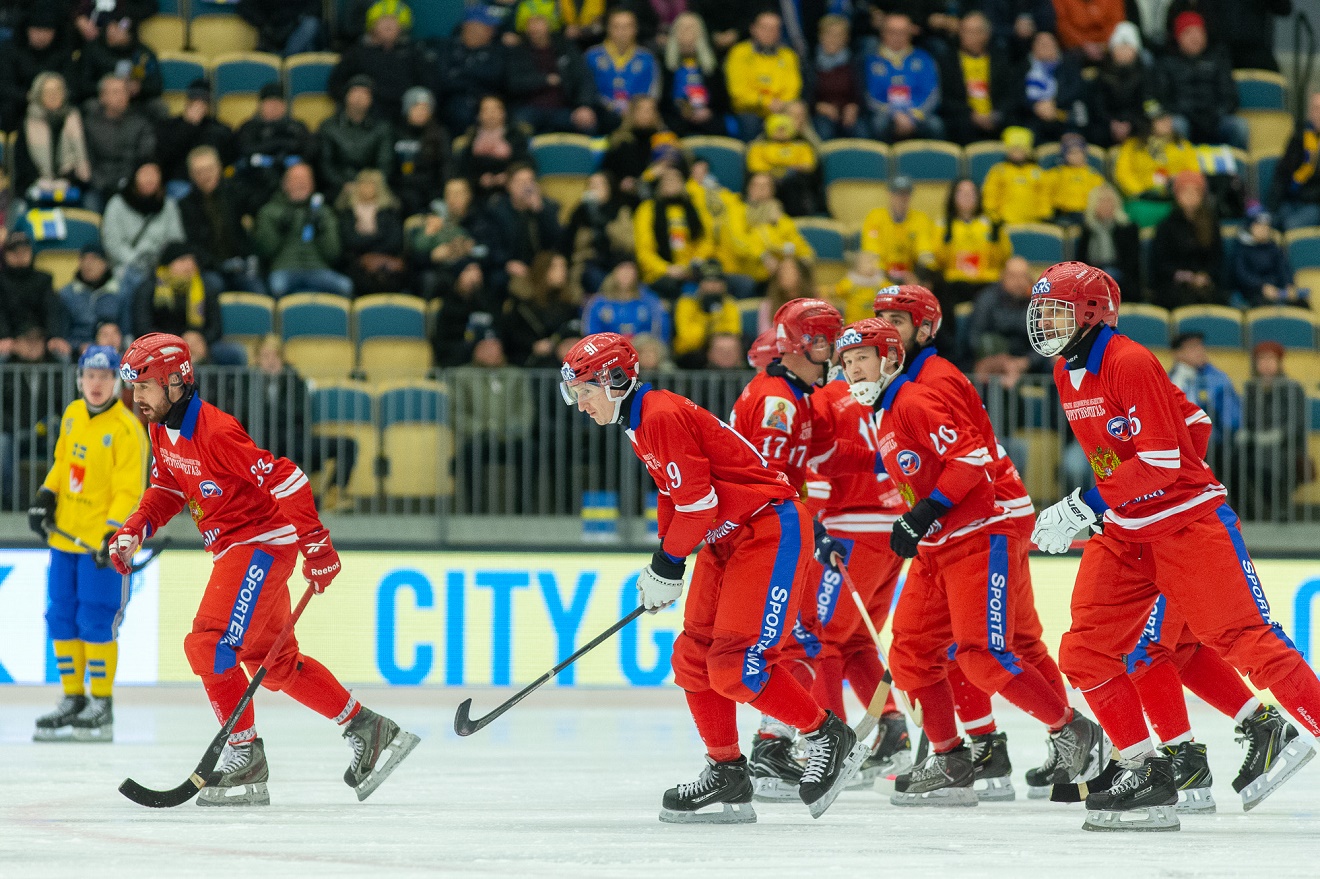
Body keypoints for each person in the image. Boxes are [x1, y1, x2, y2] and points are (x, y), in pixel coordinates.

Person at [1025, 262, 1320, 830]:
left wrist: (1091, 503)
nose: (1044, 322)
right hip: (1126, 533)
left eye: (1056, 309)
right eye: (1041, 311)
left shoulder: (1129, 361)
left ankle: (1265, 730)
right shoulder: (1067, 372)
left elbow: (1161, 459)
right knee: (1085, 653)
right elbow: (1194, 421)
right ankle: (1148, 772)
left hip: (1186, 527)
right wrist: (1118, 500)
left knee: (1245, 640)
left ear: (1090, 313)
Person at [560, 331, 866, 822]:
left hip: (769, 530)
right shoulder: (641, 422)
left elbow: (698, 506)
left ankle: (826, 733)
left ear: (616, 381)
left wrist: (670, 563)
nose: (581, 405)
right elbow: (675, 495)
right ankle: (727, 772)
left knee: (736, 666)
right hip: (729, 538)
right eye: (575, 394)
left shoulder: (658, 415)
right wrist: (665, 561)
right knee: (693, 657)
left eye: (585, 391)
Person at [107, 333, 420, 805]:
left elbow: (288, 477)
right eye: (135, 387)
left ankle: (245, 754)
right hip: (240, 547)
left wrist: (317, 544)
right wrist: (136, 526)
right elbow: (169, 488)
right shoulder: (161, 428)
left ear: (176, 382)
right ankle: (371, 730)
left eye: (146, 386)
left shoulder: (214, 431)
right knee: (275, 665)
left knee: (208, 643)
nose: (138, 397)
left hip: (258, 545)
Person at [833, 315, 1103, 807]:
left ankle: (1073, 729)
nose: (854, 371)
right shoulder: (885, 412)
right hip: (938, 549)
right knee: (910, 655)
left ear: (890, 357)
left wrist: (925, 511)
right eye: (847, 363)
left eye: (862, 359)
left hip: (980, 537)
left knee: (981, 655)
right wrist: (920, 520)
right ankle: (951, 757)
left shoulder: (914, 398)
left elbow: (971, 458)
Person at [729, 298, 843, 801]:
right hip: (766, 537)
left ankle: (771, 743)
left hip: (772, 533)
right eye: (823, 341)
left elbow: (819, 458)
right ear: (798, 344)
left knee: (796, 642)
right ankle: (773, 746)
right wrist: (810, 526)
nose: (832, 351)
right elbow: (769, 479)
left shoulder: (793, 396)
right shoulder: (777, 400)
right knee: (797, 644)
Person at [28, 345, 148, 742]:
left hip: (100, 547)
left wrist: (113, 535)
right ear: (80, 378)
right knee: (60, 617)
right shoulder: (73, 415)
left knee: (97, 621)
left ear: (116, 381)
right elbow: (64, 463)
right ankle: (73, 698)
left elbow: (129, 489)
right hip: (65, 538)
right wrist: (46, 495)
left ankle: (101, 703)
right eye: (90, 376)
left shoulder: (128, 429)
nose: (96, 384)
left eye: (104, 377)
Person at [136, 241, 246, 367]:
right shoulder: (149, 289)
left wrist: (201, 339)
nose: (189, 265)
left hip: (201, 344)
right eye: (183, 260)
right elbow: (143, 329)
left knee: (234, 353)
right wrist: (179, 342)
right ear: (168, 264)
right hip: (162, 346)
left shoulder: (206, 288)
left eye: (192, 261)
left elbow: (216, 327)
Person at [254, 163, 353, 299]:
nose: (300, 185)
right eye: (295, 180)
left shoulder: (324, 212)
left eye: (305, 181)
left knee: (345, 286)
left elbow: (333, 253)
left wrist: (321, 230)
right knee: (277, 287)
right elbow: (265, 251)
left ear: (312, 185)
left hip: (318, 268)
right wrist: (280, 231)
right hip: (284, 268)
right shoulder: (270, 211)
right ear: (284, 184)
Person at [178, 145, 265, 296]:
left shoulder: (236, 192)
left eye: (209, 169)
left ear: (219, 168)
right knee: (213, 287)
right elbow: (192, 245)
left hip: (241, 264)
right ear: (191, 175)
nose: (206, 175)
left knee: (258, 290)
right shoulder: (186, 205)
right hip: (209, 269)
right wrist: (219, 266)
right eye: (199, 172)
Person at [1238, 341, 1310, 521]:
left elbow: (1296, 423)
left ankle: (1277, 510)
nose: (1266, 363)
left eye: (1271, 358)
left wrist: (1275, 436)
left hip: (1286, 448)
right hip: (1255, 446)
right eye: (1261, 359)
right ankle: (1253, 511)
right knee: (1234, 459)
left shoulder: (1292, 388)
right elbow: (1246, 419)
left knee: (1272, 460)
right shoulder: (1251, 388)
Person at [1154, 11, 1246, 150]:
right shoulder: (1166, 63)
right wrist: (1188, 114)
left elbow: (1230, 97)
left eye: (1199, 32)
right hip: (1185, 119)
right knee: (1177, 125)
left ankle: (1235, 169)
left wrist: (1214, 115)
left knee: (1239, 127)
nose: (1195, 38)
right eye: (1188, 33)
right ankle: (1179, 167)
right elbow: (1162, 99)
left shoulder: (1218, 59)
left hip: (1215, 120)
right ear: (1178, 37)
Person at [327, 6, 434, 124]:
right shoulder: (357, 53)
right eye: (383, 20)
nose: (388, 25)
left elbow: (429, 85)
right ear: (372, 26)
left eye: (393, 21)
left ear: (402, 26)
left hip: (405, 117)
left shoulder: (413, 53)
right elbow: (336, 84)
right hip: (369, 115)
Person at [101, 160, 185, 307]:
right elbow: (112, 243)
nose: (150, 178)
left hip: (160, 268)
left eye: (154, 173)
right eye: (145, 173)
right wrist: (136, 262)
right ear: (134, 177)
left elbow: (176, 241)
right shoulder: (117, 204)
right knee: (133, 281)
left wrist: (159, 264)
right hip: (125, 267)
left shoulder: (169, 205)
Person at [505, 13, 598, 136]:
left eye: (538, 23)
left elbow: (584, 78)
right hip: (529, 108)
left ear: (549, 24)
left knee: (587, 123)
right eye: (530, 23)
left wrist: (584, 105)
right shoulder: (519, 51)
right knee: (516, 129)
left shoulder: (565, 47)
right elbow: (513, 83)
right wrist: (545, 80)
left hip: (564, 108)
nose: (534, 28)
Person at [1113, 101, 1199, 229]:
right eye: (1160, 119)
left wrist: (1180, 186)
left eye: (1167, 117)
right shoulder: (1132, 146)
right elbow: (1123, 174)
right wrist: (1141, 192)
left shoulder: (1182, 144)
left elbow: (1194, 172)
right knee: (1136, 211)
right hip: (1144, 200)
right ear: (1148, 124)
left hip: (1176, 199)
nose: (1167, 121)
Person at [232, 83, 314, 217]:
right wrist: (279, 144)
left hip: (292, 180)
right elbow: (244, 149)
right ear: (260, 105)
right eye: (269, 102)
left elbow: (309, 150)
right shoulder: (249, 127)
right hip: (258, 183)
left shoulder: (297, 126)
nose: (274, 107)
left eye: (278, 102)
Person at [967, 255, 1052, 383]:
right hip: (992, 360)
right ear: (1003, 277)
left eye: (1023, 276)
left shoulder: (1038, 303)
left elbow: (1046, 342)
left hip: (1027, 364)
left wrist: (1025, 362)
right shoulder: (986, 299)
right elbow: (974, 337)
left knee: (1055, 364)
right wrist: (998, 361)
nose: (1018, 281)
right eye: (1013, 276)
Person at [634, 166, 715, 302]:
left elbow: (706, 241)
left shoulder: (695, 207)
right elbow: (644, 251)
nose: (671, 182)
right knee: (675, 288)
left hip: (692, 269)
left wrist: (693, 264)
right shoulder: (647, 210)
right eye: (667, 179)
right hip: (661, 274)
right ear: (659, 185)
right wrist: (668, 269)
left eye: (676, 179)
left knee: (720, 282)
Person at [13, 72, 91, 210]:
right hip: (37, 185)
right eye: (48, 91)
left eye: (57, 90)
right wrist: (40, 181)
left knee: (90, 204)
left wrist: (69, 180)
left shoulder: (75, 119)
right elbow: (22, 163)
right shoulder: (27, 122)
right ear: (38, 95)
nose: (53, 95)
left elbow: (85, 156)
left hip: (72, 185)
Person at [862, 13, 944, 143]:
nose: (897, 37)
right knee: (878, 123)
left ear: (910, 33)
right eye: (892, 32)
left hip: (918, 113)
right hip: (886, 114)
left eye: (902, 32)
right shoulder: (871, 61)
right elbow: (869, 97)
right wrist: (895, 114)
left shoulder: (924, 58)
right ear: (883, 33)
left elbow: (933, 94)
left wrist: (912, 116)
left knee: (936, 125)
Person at [1168, 330, 1240, 475]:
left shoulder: (1217, 378)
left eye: (1200, 346)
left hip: (1213, 441)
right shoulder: (1171, 378)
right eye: (1192, 348)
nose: (1199, 351)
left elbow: (1231, 415)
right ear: (1178, 353)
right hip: (1179, 441)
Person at [1150, 170, 1224, 309]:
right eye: (1186, 191)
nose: (1190, 196)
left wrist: (1205, 275)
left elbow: (1217, 259)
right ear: (1177, 195)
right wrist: (1181, 275)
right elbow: (1160, 263)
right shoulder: (1166, 226)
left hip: (1204, 283)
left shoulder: (1211, 223)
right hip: (1174, 285)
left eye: (1195, 191)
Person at [725, 11, 802, 142]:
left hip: (781, 108)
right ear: (753, 29)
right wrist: (766, 101)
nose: (769, 33)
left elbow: (793, 88)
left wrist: (780, 104)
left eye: (774, 28)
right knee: (751, 122)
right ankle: (752, 159)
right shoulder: (739, 52)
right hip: (750, 110)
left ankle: (805, 157)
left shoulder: (788, 55)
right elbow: (737, 92)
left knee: (798, 111)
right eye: (764, 28)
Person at [939, 11, 1013, 146]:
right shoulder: (948, 61)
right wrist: (972, 115)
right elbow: (946, 99)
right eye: (965, 31)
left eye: (974, 31)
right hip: (963, 120)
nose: (968, 36)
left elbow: (1009, 96)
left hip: (995, 118)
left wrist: (995, 115)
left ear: (986, 34)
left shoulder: (1000, 61)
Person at [82, 75, 154, 211]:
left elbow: (144, 157)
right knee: (89, 203)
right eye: (115, 92)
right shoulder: (90, 124)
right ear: (102, 97)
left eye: (124, 91)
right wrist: (101, 183)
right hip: (99, 186)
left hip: (130, 185)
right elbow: (87, 160)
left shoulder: (140, 123)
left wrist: (127, 181)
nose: (121, 96)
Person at [317, 75, 393, 200]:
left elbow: (385, 164)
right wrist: (343, 184)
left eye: (365, 93)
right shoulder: (328, 127)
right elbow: (326, 164)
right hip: (338, 188)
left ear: (371, 99)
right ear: (346, 95)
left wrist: (368, 186)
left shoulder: (382, 128)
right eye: (355, 91)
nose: (359, 97)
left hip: (373, 188)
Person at [335, 168, 407, 296]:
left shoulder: (389, 211)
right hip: (356, 262)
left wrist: (369, 245)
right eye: (363, 184)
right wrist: (377, 238)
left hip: (386, 261)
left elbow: (395, 242)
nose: (367, 188)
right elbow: (349, 241)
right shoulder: (347, 212)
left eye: (371, 184)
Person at [1, 231, 71, 361]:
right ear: (6, 255)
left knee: (63, 356)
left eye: (24, 251)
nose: (20, 256)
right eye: (15, 252)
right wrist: (5, 337)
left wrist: (52, 336)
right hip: (10, 337)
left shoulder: (43, 279)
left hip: (41, 339)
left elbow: (51, 310)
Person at [154, 78, 236, 189]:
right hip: (180, 181)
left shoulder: (220, 129)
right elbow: (163, 156)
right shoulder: (170, 125)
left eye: (203, 101)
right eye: (194, 100)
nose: (198, 105)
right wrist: (189, 126)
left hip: (213, 184)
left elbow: (229, 158)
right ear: (187, 102)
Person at [584, 9, 659, 128]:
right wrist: (611, 106)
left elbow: (653, 91)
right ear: (608, 28)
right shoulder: (592, 56)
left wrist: (635, 108)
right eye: (616, 27)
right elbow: (587, 90)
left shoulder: (646, 58)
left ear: (635, 29)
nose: (622, 32)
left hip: (637, 116)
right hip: (602, 114)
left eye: (627, 27)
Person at [659, 11, 726, 138]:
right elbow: (662, 102)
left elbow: (723, 102)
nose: (687, 33)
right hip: (676, 119)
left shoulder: (712, 67)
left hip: (708, 118)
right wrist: (681, 111)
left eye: (691, 28)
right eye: (683, 28)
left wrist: (708, 112)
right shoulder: (666, 66)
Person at [860, 176, 938, 286]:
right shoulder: (875, 218)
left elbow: (925, 252)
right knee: (867, 269)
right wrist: (886, 273)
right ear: (889, 194)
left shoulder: (920, 219)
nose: (902, 198)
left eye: (906, 193)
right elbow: (872, 251)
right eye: (898, 193)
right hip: (883, 274)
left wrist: (917, 274)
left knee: (931, 274)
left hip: (910, 274)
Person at [454, 94, 531, 202]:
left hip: (510, 191)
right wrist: (478, 180)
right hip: (477, 193)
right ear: (479, 115)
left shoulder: (515, 135)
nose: (491, 114)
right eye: (486, 110)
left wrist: (508, 176)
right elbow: (464, 168)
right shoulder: (472, 137)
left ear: (503, 113)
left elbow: (525, 162)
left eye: (495, 109)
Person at [389, 86, 449, 219]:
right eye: (416, 107)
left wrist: (438, 196)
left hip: (430, 195)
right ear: (407, 109)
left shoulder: (439, 135)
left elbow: (445, 168)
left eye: (425, 108)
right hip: (400, 192)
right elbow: (388, 166)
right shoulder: (394, 133)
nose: (421, 112)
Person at [58, 243, 131, 352]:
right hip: (77, 355)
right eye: (84, 259)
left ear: (105, 263)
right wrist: (78, 346)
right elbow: (62, 335)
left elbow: (127, 332)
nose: (88, 264)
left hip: (114, 353)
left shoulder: (120, 292)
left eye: (94, 259)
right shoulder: (67, 294)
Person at [745, 113, 820, 217]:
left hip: (794, 182)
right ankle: (759, 214)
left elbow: (809, 165)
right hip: (770, 178)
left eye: (784, 129)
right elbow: (755, 166)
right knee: (761, 181)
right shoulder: (758, 147)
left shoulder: (802, 146)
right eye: (778, 128)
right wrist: (785, 167)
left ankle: (797, 216)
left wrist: (781, 167)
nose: (781, 132)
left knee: (795, 182)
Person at [1074, 183, 1142, 299]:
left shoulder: (1128, 228)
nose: (1106, 205)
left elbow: (1132, 264)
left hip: (1122, 277)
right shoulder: (1087, 230)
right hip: (1093, 276)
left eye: (1109, 200)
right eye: (1101, 201)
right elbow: (1081, 262)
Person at [1232, 207, 1306, 308]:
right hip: (1252, 292)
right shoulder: (1241, 248)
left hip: (1277, 290)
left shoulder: (1273, 247)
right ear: (1250, 227)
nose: (1264, 229)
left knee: (1300, 303)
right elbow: (1242, 274)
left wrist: (1289, 284)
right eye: (1260, 225)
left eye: (1267, 226)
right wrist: (1262, 287)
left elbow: (1283, 268)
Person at [672, 262, 740, 368]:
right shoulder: (686, 303)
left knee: (728, 349)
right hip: (689, 356)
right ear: (700, 284)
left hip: (719, 355)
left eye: (717, 281)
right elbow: (687, 338)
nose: (713, 285)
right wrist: (709, 321)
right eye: (708, 280)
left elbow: (732, 333)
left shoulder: (729, 304)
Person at [581, 260, 668, 341]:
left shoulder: (649, 301)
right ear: (614, 272)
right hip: (608, 350)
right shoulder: (598, 303)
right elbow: (591, 333)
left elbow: (660, 329)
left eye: (630, 269)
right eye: (622, 269)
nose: (626, 274)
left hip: (642, 350)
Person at [806, 15, 862, 141]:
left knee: (861, 132)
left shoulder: (855, 62)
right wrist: (818, 106)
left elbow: (861, 92)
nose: (833, 39)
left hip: (849, 113)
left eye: (838, 35)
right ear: (820, 36)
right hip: (820, 113)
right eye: (829, 34)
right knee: (824, 131)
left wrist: (854, 106)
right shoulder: (810, 63)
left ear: (846, 38)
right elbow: (804, 95)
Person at [1096, 21, 1150, 149]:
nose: (1124, 51)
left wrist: (1129, 123)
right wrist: (1112, 123)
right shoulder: (1102, 75)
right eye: (1120, 47)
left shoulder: (1145, 75)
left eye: (1128, 47)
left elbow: (1145, 104)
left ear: (1136, 51)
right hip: (1107, 125)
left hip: (1135, 125)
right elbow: (1098, 105)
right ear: (1112, 50)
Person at [1271, 91, 1320, 232]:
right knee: (1270, 224)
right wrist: (1270, 210)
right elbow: (1282, 174)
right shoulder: (1299, 138)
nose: (1318, 113)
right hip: (1291, 200)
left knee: (1290, 226)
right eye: (1315, 109)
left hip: (1314, 205)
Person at [982, 125, 1050, 225]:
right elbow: (990, 194)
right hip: (1005, 222)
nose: (1017, 152)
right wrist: (994, 217)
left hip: (1033, 223)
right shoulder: (998, 170)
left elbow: (1044, 195)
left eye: (1021, 149)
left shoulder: (1037, 172)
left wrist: (1045, 215)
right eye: (1014, 149)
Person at [1047, 132, 1105, 225]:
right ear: (1064, 155)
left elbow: (1099, 197)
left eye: (1079, 152)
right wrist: (1046, 214)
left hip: (1086, 215)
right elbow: (1046, 195)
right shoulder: (1056, 173)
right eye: (1071, 153)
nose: (1076, 156)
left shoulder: (1094, 176)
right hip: (1062, 214)